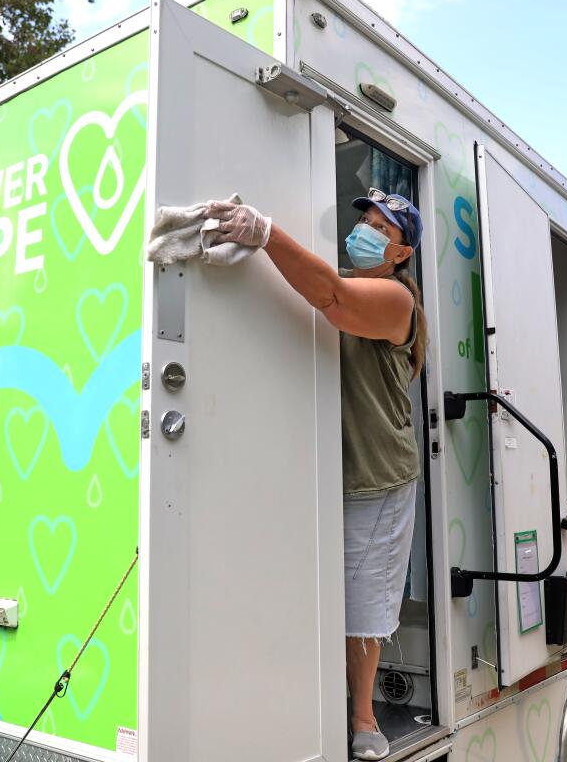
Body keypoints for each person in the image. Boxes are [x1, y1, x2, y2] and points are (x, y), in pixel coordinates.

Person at [205, 189, 427, 760]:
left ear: (401, 255)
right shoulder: (360, 278)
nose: (368, 230)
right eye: (366, 221)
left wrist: (265, 233)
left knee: (362, 604)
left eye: (383, 228)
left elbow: (331, 296)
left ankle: (362, 717)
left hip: (379, 476)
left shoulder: (397, 300)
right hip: (331, 466)